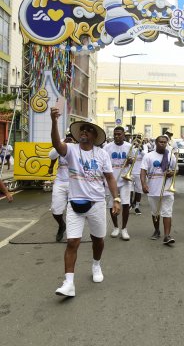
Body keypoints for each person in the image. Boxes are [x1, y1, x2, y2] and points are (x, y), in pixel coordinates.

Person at [50, 108, 121, 297]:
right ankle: (69, 283)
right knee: (72, 242)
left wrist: (116, 198)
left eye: (88, 130)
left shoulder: (102, 154)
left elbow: (110, 178)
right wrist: (54, 121)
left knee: (98, 240)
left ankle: (96, 264)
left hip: (97, 203)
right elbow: (57, 144)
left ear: (94, 135)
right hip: (74, 204)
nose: (83, 132)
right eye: (82, 129)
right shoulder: (71, 150)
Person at [140, 135, 177, 244]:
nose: (163, 144)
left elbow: (176, 170)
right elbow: (143, 172)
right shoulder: (148, 156)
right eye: (160, 142)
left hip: (167, 189)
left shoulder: (170, 155)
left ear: (167, 143)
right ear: (156, 143)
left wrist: (172, 173)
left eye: (165, 142)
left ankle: (167, 236)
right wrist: (144, 184)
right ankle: (157, 230)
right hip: (153, 189)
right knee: (155, 212)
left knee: (167, 212)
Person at [103, 126, 132, 240]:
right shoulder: (107, 147)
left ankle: (124, 229)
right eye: (115, 134)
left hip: (125, 180)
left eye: (119, 134)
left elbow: (133, 161)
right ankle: (115, 227)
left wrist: (130, 161)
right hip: (111, 181)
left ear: (124, 135)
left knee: (125, 204)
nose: (117, 136)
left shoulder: (129, 146)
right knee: (112, 204)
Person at [48, 133, 74, 242]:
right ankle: (62, 225)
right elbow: (52, 156)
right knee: (55, 209)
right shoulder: (61, 143)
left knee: (73, 210)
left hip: (75, 182)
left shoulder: (79, 145)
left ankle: (72, 234)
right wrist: (63, 144)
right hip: (60, 181)